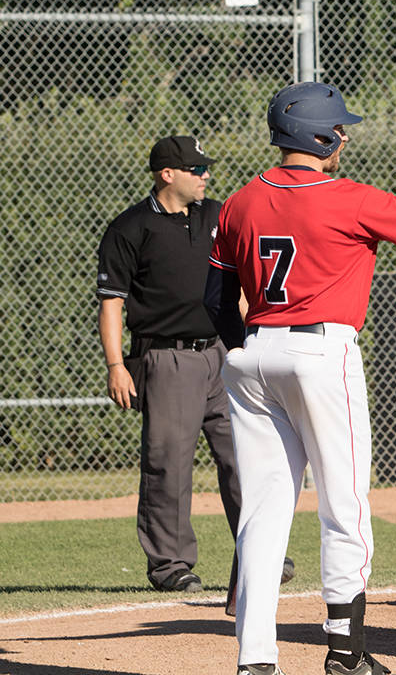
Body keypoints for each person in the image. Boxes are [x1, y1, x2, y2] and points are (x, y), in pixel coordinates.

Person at [205, 82, 396, 675]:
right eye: (338, 129)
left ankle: (256, 661)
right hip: (322, 354)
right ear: (321, 137)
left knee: (263, 515)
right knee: (345, 506)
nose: (344, 137)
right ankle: (344, 651)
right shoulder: (347, 197)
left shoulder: (238, 202)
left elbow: (214, 300)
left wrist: (254, 348)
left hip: (253, 356)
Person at [96, 134, 243, 595]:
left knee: (245, 457)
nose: (206, 176)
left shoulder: (220, 215)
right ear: (167, 174)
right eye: (196, 169)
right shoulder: (130, 227)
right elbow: (112, 303)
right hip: (167, 357)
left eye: (205, 169)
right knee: (169, 466)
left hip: (223, 354)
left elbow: (240, 286)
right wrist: (117, 364)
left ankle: (259, 550)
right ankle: (171, 565)